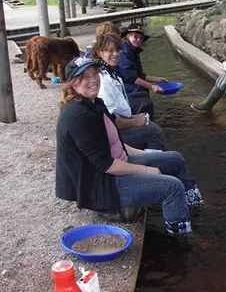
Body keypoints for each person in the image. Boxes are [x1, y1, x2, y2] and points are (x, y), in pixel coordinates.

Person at [55, 56, 203, 235]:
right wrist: (146, 170)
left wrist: (144, 156)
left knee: (175, 159)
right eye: (85, 77)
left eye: (94, 73)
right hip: (100, 186)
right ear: (73, 84)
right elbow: (106, 165)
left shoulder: (95, 104)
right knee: (172, 187)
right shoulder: (78, 117)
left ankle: (195, 208)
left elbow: (115, 142)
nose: (93, 79)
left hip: (116, 163)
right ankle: (182, 236)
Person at [91, 33, 165, 151]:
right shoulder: (104, 80)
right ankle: (149, 165)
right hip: (112, 135)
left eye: (117, 50)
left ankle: (149, 157)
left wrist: (134, 117)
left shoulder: (110, 71)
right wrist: (135, 121)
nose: (115, 54)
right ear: (100, 53)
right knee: (154, 132)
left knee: (149, 121)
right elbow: (111, 119)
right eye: (110, 51)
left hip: (118, 122)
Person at [116, 23, 167, 118]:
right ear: (128, 36)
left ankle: (145, 116)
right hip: (120, 84)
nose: (138, 40)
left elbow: (139, 74)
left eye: (141, 38)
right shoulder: (124, 51)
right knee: (141, 90)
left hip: (126, 81)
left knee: (143, 89)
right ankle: (144, 118)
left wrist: (157, 79)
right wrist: (152, 87)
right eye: (135, 37)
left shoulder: (134, 50)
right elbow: (132, 78)